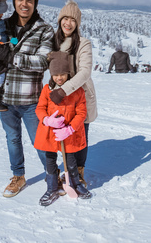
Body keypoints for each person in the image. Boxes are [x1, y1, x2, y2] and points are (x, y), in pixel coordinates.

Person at [0, 0, 54, 198]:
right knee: (12, 139)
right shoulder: (3, 26)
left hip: (31, 99)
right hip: (3, 97)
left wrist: (11, 57)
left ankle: (53, 176)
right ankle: (18, 176)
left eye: (29, 0)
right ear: (14, 2)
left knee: (40, 141)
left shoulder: (44, 30)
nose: (25, 4)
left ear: (35, 4)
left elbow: (42, 62)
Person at [34, 51, 92, 206]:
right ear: (51, 74)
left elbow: (81, 113)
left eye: (62, 74)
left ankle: (75, 183)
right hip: (49, 132)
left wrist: (70, 128)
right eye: (55, 74)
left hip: (69, 134)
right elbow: (40, 108)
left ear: (68, 74)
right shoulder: (47, 89)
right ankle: (52, 187)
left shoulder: (77, 90)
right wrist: (47, 120)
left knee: (71, 160)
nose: (59, 78)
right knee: (50, 160)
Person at [51, 0, 98, 188]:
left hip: (80, 96)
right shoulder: (53, 42)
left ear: (77, 23)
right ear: (60, 20)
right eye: (65, 19)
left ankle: (79, 173)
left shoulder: (83, 44)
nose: (68, 23)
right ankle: (66, 171)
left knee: (80, 135)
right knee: (62, 136)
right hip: (59, 98)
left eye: (72, 20)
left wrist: (63, 90)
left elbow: (85, 72)